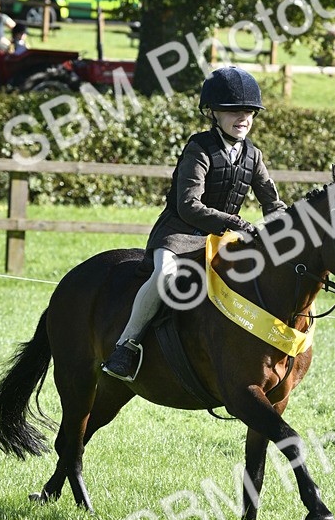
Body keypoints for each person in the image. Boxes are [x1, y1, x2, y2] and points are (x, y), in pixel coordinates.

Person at [102, 66, 287, 381]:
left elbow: (272, 203)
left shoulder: (253, 156)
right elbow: (189, 206)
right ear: (213, 113)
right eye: (233, 110)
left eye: (249, 111)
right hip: (179, 234)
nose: (243, 117)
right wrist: (236, 223)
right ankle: (126, 346)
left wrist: (289, 223)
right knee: (165, 274)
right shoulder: (199, 148)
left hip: (221, 239)